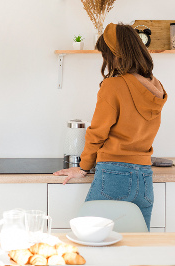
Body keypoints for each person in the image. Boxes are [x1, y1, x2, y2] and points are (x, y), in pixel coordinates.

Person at [53, 23, 167, 230]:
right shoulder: (155, 86)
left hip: (114, 175)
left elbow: (97, 133)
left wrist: (83, 167)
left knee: (89, 237)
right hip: (144, 177)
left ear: (115, 54)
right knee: (137, 246)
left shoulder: (114, 86)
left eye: (105, 54)